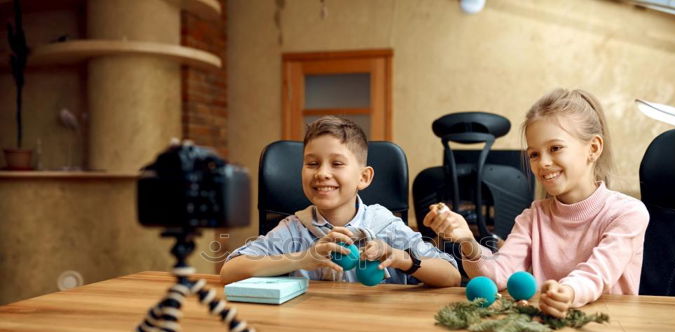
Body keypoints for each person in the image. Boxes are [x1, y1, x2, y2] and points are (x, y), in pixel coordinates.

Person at [423, 88, 649, 317]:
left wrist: (567, 292)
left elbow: (597, 274)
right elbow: (497, 276)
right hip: (546, 331)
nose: (543, 163)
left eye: (555, 148)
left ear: (593, 148)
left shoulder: (628, 213)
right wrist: (466, 241)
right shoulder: (533, 216)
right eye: (534, 154)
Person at [221, 115, 461, 287]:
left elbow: (452, 276)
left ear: (364, 177)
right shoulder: (294, 229)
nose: (322, 173)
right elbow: (229, 271)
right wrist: (303, 258)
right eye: (312, 163)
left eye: (336, 163)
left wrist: (400, 258)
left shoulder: (386, 226)